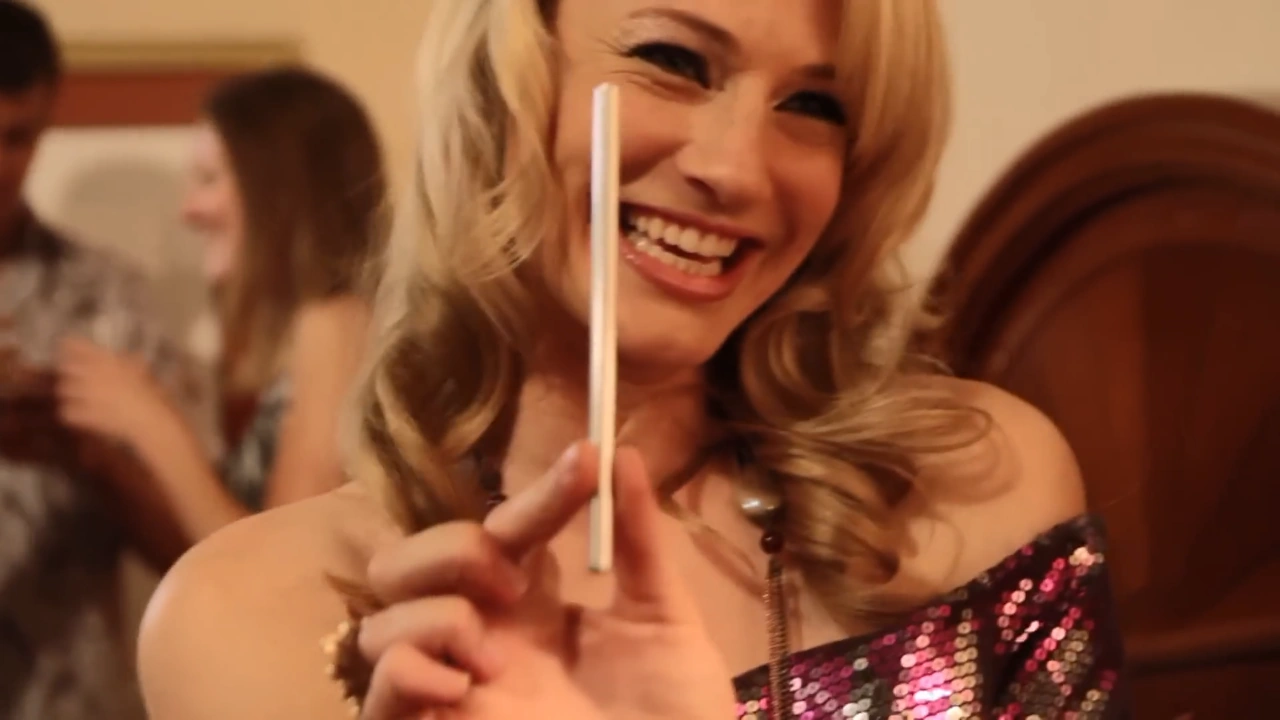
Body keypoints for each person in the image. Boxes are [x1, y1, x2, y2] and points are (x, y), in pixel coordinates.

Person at [138, 1, 1128, 718]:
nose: (735, 168)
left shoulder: (975, 490)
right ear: (501, 80)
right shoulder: (248, 617)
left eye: (813, 105)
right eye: (673, 60)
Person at [55, 66, 387, 546]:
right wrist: (104, 462)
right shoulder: (304, 333)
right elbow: (206, 557)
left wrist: (153, 425)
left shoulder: (336, 321)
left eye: (209, 179)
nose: (187, 210)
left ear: (279, 191)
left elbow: (280, 554)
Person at [0, 2, 207, 717]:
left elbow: (194, 549)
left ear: (46, 120)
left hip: (71, 699)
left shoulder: (111, 296)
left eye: (13, 138)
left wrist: (91, 460)